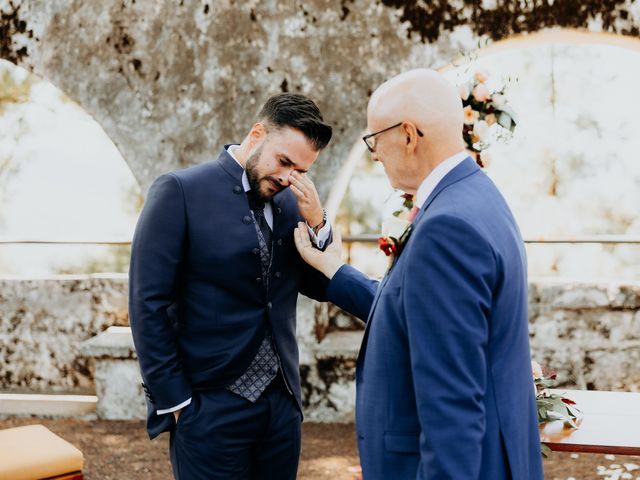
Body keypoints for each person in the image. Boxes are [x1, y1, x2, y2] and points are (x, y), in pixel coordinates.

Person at [294, 69, 543, 479]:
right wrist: (334, 270)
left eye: (374, 139)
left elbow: (452, 406)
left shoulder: (447, 227)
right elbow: (417, 312)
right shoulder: (477, 196)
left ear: (408, 135)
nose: (374, 154)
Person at [129, 93, 333, 479]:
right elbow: (147, 303)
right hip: (208, 407)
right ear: (257, 134)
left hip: (281, 407)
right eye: (283, 161)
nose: (288, 177)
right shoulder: (179, 191)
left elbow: (319, 286)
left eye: (300, 171)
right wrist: (178, 403)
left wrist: (319, 224)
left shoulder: (293, 205)